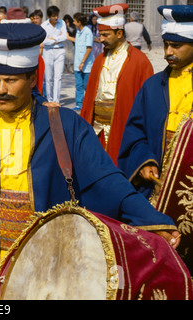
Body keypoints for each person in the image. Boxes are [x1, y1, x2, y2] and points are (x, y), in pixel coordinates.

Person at [0, 21, 180, 299]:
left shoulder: (65, 126)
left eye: (11, 80)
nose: (0, 89)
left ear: (32, 78)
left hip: (54, 270)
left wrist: (151, 220)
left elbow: (107, 180)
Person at [118, 5, 193, 273]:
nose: (169, 52)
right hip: (158, 187)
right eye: (166, 45)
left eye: (177, 46)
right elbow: (135, 131)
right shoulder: (152, 86)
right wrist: (144, 161)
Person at [80, 3, 153, 165]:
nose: (101, 40)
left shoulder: (140, 61)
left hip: (122, 131)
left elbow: (148, 104)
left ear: (119, 33)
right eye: (100, 35)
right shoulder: (99, 60)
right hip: (97, 132)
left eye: (106, 35)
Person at [68, 12, 93, 111]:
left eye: (75, 20)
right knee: (78, 86)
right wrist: (68, 37)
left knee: (87, 86)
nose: (73, 22)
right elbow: (78, 42)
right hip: (77, 64)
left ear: (79, 22)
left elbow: (89, 48)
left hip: (86, 65)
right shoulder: (78, 31)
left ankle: (89, 104)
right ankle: (79, 104)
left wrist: (83, 62)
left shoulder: (88, 32)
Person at [41, 6, 67, 103]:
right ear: (49, 16)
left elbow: (64, 36)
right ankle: (50, 99)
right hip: (48, 52)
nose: (56, 18)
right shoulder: (44, 25)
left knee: (58, 76)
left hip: (60, 51)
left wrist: (53, 39)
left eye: (57, 15)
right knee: (48, 78)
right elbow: (44, 41)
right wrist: (57, 39)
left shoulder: (62, 23)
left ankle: (56, 100)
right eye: (53, 16)